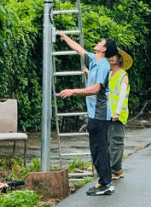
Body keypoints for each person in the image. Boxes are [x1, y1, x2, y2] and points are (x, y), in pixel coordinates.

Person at [58, 31, 116, 196]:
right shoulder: (93, 59)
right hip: (94, 114)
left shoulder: (104, 64)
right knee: (95, 150)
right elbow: (78, 49)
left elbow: (96, 89)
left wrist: (73, 91)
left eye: (101, 42)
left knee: (100, 149)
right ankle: (103, 181)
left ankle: (107, 184)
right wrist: (64, 37)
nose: (98, 42)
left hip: (100, 115)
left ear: (103, 49)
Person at [107, 49, 131, 180]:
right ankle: (118, 169)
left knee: (116, 142)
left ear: (120, 59)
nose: (111, 58)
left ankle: (115, 170)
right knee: (109, 142)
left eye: (114, 56)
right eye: (109, 56)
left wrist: (117, 112)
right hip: (108, 113)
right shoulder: (109, 74)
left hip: (118, 114)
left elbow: (122, 95)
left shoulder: (123, 75)